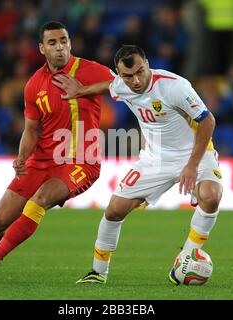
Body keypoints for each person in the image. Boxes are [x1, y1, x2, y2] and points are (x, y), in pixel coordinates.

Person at [52, 45, 223, 284]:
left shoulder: (175, 86)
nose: (136, 81)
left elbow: (207, 121)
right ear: (120, 74)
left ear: (147, 63)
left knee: (211, 196)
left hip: (195, 153)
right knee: (114, 211)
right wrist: (81, 91)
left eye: (140, 72)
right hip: (155, 159)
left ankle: (186, 257)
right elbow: (110, 87)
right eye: (128, 76)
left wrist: (192, 166)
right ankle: (98, 273)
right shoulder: (123, 85)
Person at [0, 21, 114, 281]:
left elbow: (125, 88)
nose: (60, 48)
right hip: (41, 159)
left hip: (81, 161)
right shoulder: (34, 84)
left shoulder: (89, 70)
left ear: (70, 43)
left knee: (39, 201)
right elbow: (32, 129)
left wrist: (84, 90)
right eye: (53, 43)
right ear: (42, 48)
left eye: (64, 41)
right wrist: (23, 156)